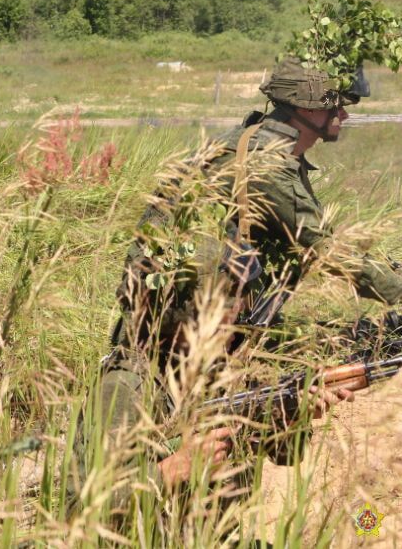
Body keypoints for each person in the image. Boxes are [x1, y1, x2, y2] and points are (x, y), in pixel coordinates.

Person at [72, 56, 402, 520]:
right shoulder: (130, 386)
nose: (344, 114)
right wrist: (179, 466)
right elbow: (332, 251)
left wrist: (294, 410)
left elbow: (284, 452)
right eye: (337, 105)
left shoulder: (246, 145)